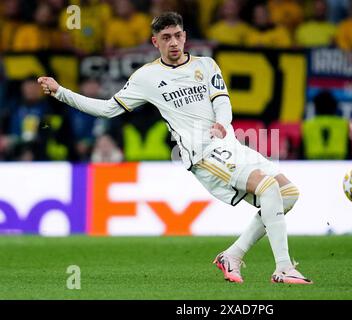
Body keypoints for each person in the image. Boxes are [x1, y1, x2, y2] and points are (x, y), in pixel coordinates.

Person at [37, 11, 312, 285]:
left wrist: (222, 124)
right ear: (155, 42)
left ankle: (233, 255)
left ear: (185, 36)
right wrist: (62, 92)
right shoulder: (146, 77)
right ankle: (284, 267)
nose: (173, 43)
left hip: (228, 144)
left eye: (178, 36)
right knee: (268, 188)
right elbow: (108, 109)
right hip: (201, 152)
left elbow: (222, 101)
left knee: (287, 193)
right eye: (166, 37)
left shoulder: (206, 65)